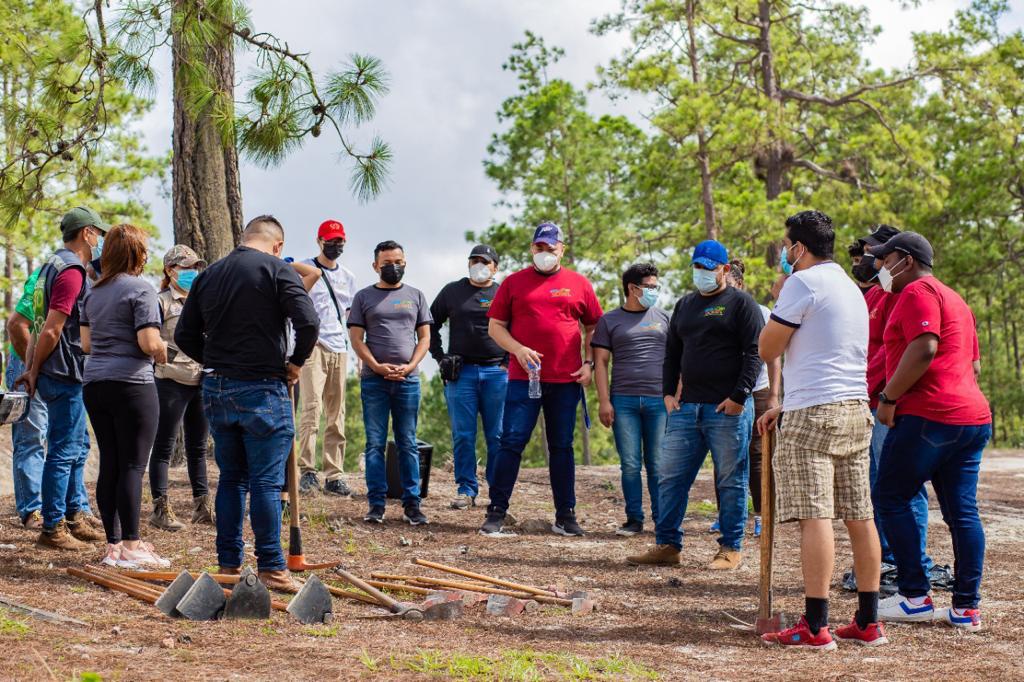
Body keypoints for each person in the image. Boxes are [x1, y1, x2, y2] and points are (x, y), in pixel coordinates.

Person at [757, 210, 886, 650]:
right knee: (860, 515)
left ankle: (815, 626)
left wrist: (780, 297)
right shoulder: (850, 287)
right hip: (855, 409)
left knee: (815, 515)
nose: (784, 254)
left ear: (798, 248)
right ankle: (868, 620)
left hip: (814, 414)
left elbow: (767, 348)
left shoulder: (801, 283)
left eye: (785, 247)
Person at [175, 215, 320, 590]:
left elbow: (184, 334)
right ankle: (272, 567)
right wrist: (295, 364)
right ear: (278, 246)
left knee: (231, 479)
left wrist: (215, 360)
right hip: (263, 387)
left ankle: (229, 564)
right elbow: (308, 322)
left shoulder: (209, 275)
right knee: (266, 483)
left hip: (218, 388)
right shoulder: (277, 269)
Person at [869, 232, 992, 632]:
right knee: (962, 512)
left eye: (886, 259)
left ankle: (914, 597)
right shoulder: (956, 299)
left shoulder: (916, 291)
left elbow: (924, 347)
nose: (881, 267)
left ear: (906, 260)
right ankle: (966, 608)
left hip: (929, 415)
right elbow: (973, 366)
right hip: (972, 418)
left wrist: (888, 397)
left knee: (890, 496)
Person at [627, 240, 761, 570]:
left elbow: (755, 352)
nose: (701, 273)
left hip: (727, 410)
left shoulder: (742, 304)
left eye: (708, 268)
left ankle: (730, 548)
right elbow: (672, 353)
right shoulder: (685, 305)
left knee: (730, 480)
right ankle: (667, 545)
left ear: (725, 269)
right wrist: (668, 394)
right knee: (670, 478)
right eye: (697, 267)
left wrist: (739, 396)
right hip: (686, 409)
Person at [479, 222, 603, 537]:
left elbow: (594, 327)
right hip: (524, 379)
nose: (545, 252)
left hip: (566, 379)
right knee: (511, 442)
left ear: (562, 249)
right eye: (539, 247)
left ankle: (565, 515)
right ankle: (496, 511)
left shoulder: (579, 284)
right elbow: (495, 327)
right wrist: (518, 350)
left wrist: (588, 363)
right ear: (532, 248)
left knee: (562, 446)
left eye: (551, 247)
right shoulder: (513, 283)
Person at [843, 225, 943, 595]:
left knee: (903, 488)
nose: (872, 262)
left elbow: (901, 352)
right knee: (878, 486)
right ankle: (888, 558)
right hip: (869, 402)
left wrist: (886, 394)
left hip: (889, 402)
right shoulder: (875, 295)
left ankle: (912, 565)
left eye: (878, 256)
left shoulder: (907, 296)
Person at [15, 207, 108, 550]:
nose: (100, 241)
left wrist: (31, 367)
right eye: (98, 233)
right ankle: (53, 528)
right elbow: (51, 329)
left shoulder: (49, 266)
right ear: (86, 233)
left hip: (55, 370)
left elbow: (37, 323)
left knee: (76, 446)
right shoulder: (71, 271)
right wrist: (34, 368)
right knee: (62, 451)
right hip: (64, 372)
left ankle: (73, 516)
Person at [80, 224, 170, 568]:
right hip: (132, 383)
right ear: (137, 254)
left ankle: (114, 545)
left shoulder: (93, 292)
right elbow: (148, 342)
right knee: (133, 464)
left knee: (111, 462)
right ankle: (132, 544)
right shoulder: (141, 289)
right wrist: (161, 349)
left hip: (95, 383)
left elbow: (86, 344)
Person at [348, 240, 432, 526]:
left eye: (397, 262)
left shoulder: (416, 295)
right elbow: (356, 339)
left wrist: (410, 366)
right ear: (376, 266)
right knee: (375, 444)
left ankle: (412, 504)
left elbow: (424, 338)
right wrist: (376, 366)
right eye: (386, 263)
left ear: (405, 263)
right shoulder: (363, 297)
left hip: (408, 381)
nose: (392, 267)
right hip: (375, 381)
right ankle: (376, 504)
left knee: (408, 442)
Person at [429, 244, 508, 510]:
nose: (479, 265)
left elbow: (519, 327)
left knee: (497, 436)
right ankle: (466, 488)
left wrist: (508, 362)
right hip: (461, 374)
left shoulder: (503, 292)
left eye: (485, 262)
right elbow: (429, 323)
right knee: (463, 435)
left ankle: (498, 491)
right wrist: (439, 357)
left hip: (497, 373)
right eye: (474, 261)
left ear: (495, 267)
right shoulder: (452, 291)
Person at [592, 263, 668, 537]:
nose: (654, 291)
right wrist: (604, 401)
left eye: (656, 286)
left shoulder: (665, 318)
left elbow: (678, 360)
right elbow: (601, 363)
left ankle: (663, 520)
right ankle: (634, 519)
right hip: (623, 401)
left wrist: (676, 394)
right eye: (649, 287)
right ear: (632, 288)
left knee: (658, 465)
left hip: (659, 402)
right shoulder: (609, 321)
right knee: (631, 464)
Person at [148, 245, 212, 531]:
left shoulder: (203, 300)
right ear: (170, 270)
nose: (192, 273)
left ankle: (202, 506)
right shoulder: (160, 301)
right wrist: (168, 355)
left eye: (195, 267)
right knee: (164, 445)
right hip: (170, 381)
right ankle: (160, 508)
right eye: (185, 268)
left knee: (198, 447)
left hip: (200, 379)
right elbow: (151, 340)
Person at [297, 219, 357, 497]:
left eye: (339, 241)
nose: (335, 245)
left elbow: (351, 317)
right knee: (311, 409)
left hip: (339, 348)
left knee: (337, 412)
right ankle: (307, 470)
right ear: (319, 241)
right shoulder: (305, 267)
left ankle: (334, 473)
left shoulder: (348, 277)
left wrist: (356, 350)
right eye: (330, 240)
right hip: (313, 346)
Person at [724, 259, 781, 539]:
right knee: (726, 455)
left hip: (757, 391)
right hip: (725, 392)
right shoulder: (714, 312)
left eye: (730, 285)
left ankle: (762, 514)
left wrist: (773, 395)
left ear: (740, 284)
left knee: (758, 455)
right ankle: (727, 515)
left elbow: (772, 357)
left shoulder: (761, 312)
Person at [5, 268, 46, 529]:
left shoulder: (93, 279)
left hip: (59, 369)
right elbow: (17, 324)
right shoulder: (48, 275)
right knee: (32, 437)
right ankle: (33, 510)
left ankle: (73, 508)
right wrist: (32, 368)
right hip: (26, 362)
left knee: (68, 442)